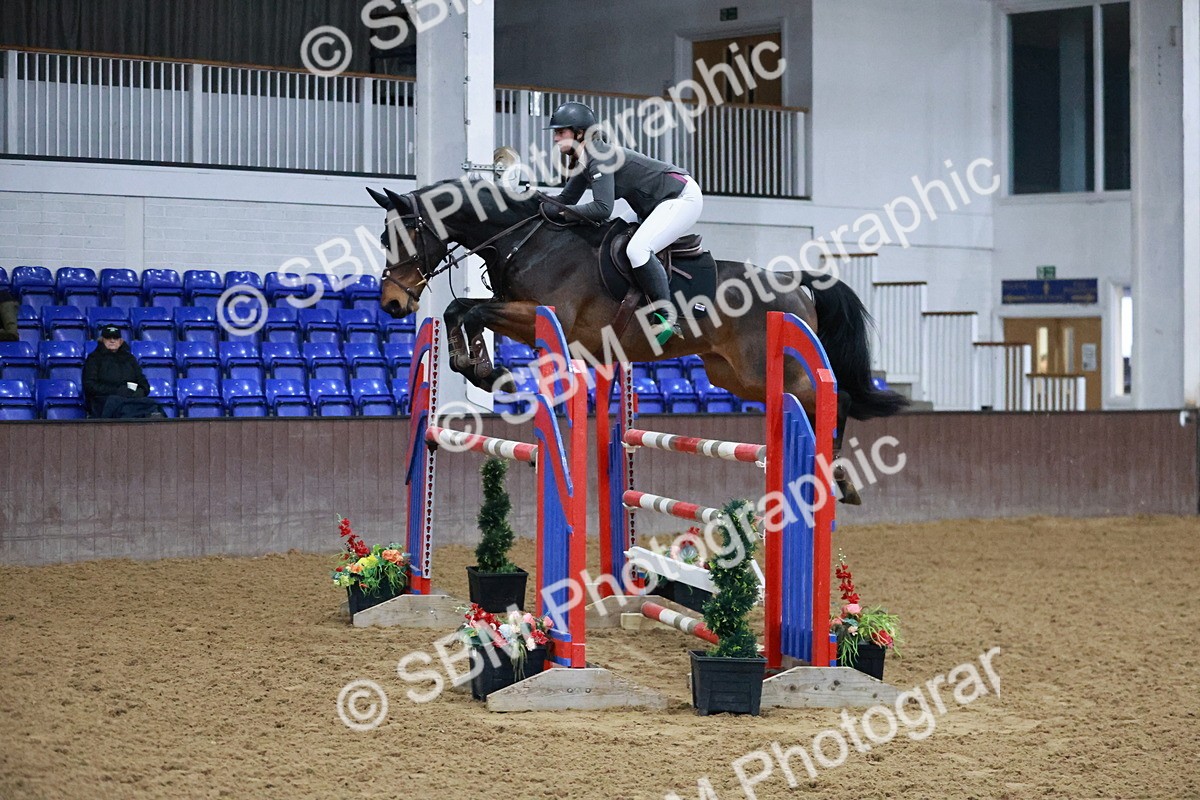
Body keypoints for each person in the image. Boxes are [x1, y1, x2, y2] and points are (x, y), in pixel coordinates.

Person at [542, 101, 704, 345]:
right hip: (653, 204)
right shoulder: (585, 159)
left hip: (681, 197)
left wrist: (562, 213)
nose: (555, 138)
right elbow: (566, 200)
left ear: (579, 133)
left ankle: (666, 317)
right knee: (611, 238)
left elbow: (602, 208)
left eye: (560, 132)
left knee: (637, 250)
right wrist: (533, 203)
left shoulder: (600, 157)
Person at [82, 325, 165, 418]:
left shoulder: (130, 358)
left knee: (153, 405)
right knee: (124, 408)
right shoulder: (93, 359)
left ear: (120, 341)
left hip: (131, 398)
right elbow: (90, 386)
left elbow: (143, 382)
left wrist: (141, 391)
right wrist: (117, 391)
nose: (112, 341)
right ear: (102, 340)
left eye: (115, 338)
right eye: (108, 338)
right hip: (104, 400)